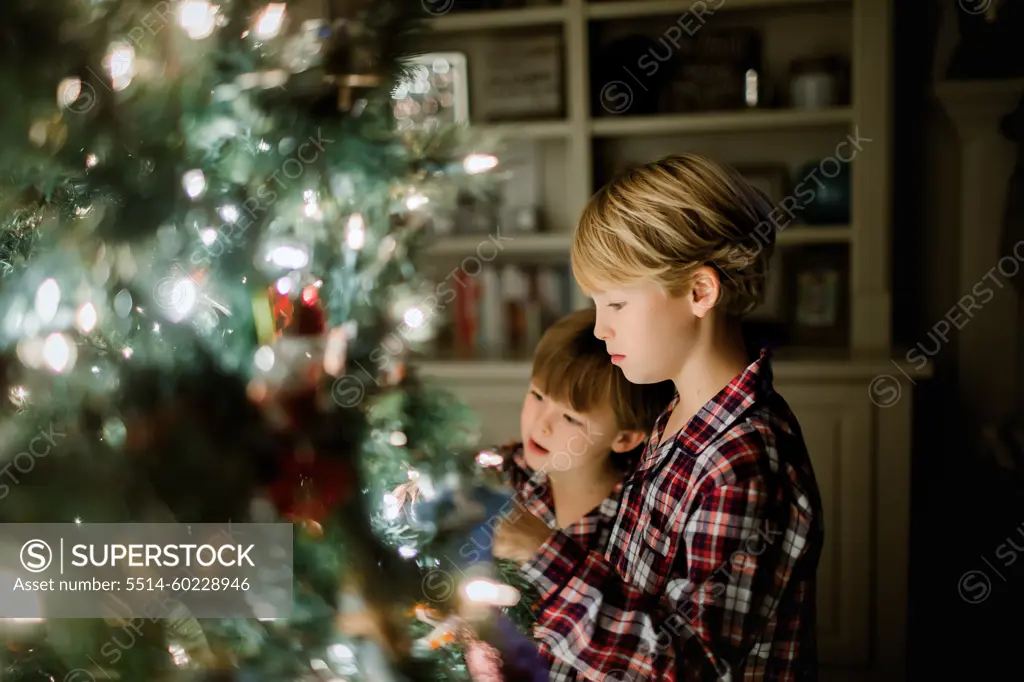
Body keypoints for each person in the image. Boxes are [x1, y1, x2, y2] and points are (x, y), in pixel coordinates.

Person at [494, 153, 825, 681]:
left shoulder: (740, 460)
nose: (601, 330)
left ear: (700, 292)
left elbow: (680, 666)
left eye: (617, 305)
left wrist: (546, 557)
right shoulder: (676, 416)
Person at [488, 307, 675, 680]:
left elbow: (640, 660)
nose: (541, 423)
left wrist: (543, 552)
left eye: (571, 417)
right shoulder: (499, 478)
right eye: (538, 395)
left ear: (625, 437)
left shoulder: (637, 524)